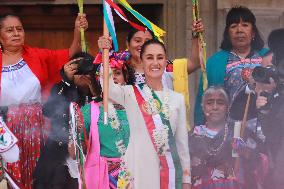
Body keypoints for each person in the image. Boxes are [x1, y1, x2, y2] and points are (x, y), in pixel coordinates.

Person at [0, 13, 88, 188]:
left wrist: (77, 31)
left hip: (37, 126)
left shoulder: (37, 55)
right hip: (5, 127)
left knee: (38, 175)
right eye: (10, 30)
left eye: (19, 29)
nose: (16, 33)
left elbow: (71, 54)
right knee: (11, 175)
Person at [104, 39, 190, 188]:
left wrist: (186, 180)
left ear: (165, 62)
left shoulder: (178, 99)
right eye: (149, 57)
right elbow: (107, 86)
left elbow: (182, 145)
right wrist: (105, 54)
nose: (155, 62)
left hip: (166, 174)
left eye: (160, 57)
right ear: (141, 62)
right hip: (136, 171)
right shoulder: (130, 93)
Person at [33, 52, 98, 189]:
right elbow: (48, 111)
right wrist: (66, 82)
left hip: (92, 153)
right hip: (59, 151)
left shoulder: (99, 92)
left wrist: (95, 89)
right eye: (77, 68)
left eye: (86, 69)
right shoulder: (62, 88)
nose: (82, 73)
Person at [194, 6, 268, 125]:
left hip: (264, 128)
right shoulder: (215, 62)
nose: (239, 30)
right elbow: (203, 99)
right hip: (226, 130)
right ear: (228, 34)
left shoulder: (268, 57)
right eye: (233, 26)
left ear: (253, 32)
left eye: (245, 25)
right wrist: (200, 129)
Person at [190, 86, 267, 189]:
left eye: (220, 103)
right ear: (203, 107)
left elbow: (262, 161)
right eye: (209, 103)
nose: (215, 107)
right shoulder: (192, 136)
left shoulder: (241, 132)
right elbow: (184, 172)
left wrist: (245, 151)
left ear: (228, 107)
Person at [82, 52, 135, 189]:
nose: (112, 78)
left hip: (134, 175)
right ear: (99, 79)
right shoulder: (89, 111)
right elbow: (77, 151)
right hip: (101, 177)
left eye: (117, 73)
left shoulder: (137, 108)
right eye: (107, 74)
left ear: (126, 76)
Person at [98, 19, 204, 88]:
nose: (143, 45)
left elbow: (195, 63)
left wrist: (195, 35)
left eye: (147, 41)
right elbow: (101, 81)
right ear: (128, 43)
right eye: (137, 40)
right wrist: (103, 51)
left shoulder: (164, 66)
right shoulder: (118, 67)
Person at [255, 28, 284, 189]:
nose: (268, 75)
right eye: (265, 69)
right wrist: (264, 111)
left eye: (272, 68)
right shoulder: (251, 102)